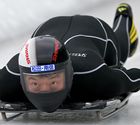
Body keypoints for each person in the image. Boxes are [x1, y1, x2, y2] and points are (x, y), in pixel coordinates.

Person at [0, 3, 139, 112]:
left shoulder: (92, 74)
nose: (45, 90)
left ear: (68, 73)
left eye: (53, 82)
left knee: (120, 56)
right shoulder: (10, 77)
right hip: (49, 27)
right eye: (35, 83)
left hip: (95, 30)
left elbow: (132, 77)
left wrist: (117, 80)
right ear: (22, 79)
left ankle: (123, 17)